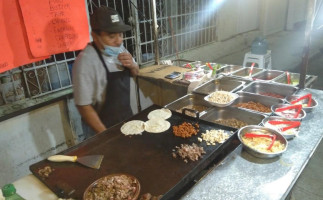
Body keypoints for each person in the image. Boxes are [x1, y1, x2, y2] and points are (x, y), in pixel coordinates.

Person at [72, 6, 139, 138]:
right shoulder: (85, 62)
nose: (118, 40)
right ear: (95, 36)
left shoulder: (120, 49)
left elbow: (136, 72)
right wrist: (106, 136)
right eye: (111, 36)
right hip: (100, 130)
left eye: (120, 34)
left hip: (125, 120)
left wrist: (132, 65)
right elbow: (83, 106)